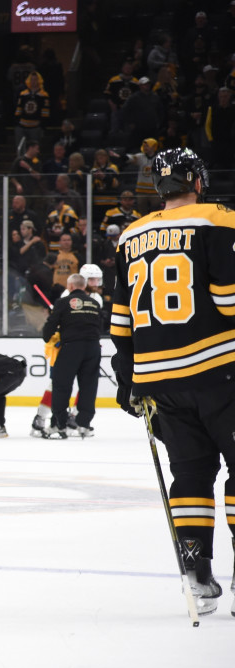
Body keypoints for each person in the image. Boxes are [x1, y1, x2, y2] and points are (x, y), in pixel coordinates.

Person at [111, 147, 235, 615]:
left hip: (158, 380)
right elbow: (229, 302)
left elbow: (121, 322)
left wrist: (129, 379)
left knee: (190, 475)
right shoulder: (219, 220)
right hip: (220, 372)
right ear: (197, 181)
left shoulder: (130, 234)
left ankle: (197, 577)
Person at [41, 273, 102, 440]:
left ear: (70, 286)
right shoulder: (95, 303)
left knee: (62, 385)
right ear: (84, 286)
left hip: (71, 348)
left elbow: (50, 326)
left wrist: (48, 337)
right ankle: (84, 424)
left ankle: (59, 424)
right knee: (89, 386)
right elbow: (101, 325)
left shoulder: (63, 302)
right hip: (93, 347)